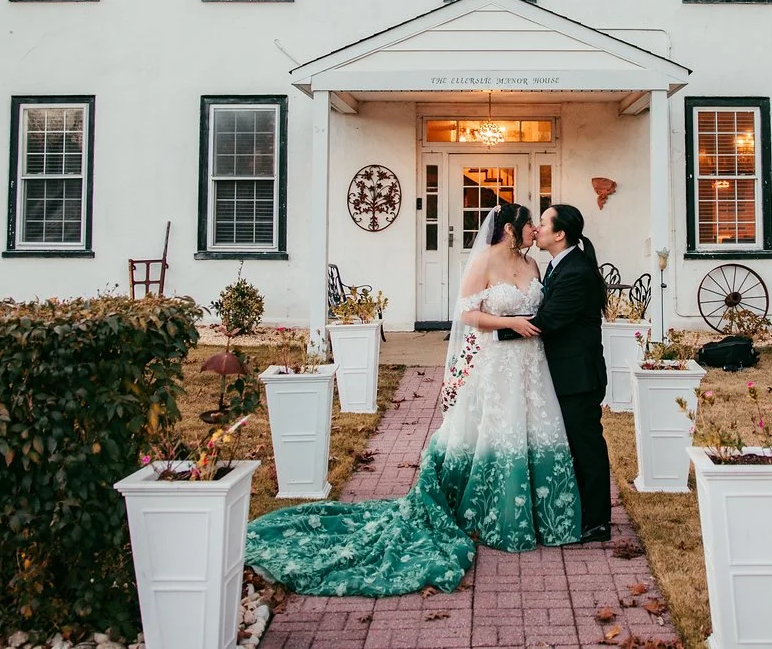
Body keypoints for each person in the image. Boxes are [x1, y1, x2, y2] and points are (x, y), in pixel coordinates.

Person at [241, 202, 583, 596]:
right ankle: (495, 513)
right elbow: (467, 314)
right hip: (497, 363)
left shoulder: (533, 266)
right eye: (530, 226)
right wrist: (509, 322)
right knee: (497, 432)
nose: (535, 231)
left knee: (535, 431)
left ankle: (544, 514)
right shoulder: (485, 262)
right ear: (511, 228)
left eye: (540, 226)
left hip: (531, 365)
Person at [499, 203, 612, 541]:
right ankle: (582, 512)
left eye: (544, 223)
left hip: (578, 376)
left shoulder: (576, 272)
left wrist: (494, 332)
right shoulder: (558, 265)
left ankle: (597, 522)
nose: (537, 229)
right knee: (573, 444)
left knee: (586, 445)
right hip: (565, 372)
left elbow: (547, 321)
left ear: (560, 234)